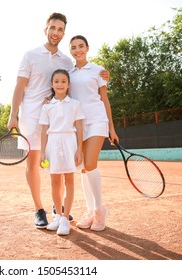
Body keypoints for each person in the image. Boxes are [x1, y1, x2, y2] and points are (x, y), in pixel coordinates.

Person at [7, 12, 109, 229]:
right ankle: (39, 209)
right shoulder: (30, 55)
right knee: (34, 162)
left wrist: (105, 75)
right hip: (31, 117)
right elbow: (19, 86)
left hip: (57, 119)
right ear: (45, 29)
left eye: (60, 29)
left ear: (64, 33)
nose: (56, 32)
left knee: (61, 164)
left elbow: (83, 77)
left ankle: (59, 209)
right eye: (52, 28)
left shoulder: (65, 60)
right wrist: (12, 114)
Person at [68, 35, 119, 231]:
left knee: (90, 163)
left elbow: (104, 100)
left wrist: (111, 128)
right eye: (73, 47)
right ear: (71, 51)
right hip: (79, 125)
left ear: (87, 48)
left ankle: (99, 210)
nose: (77, 50)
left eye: (81, 46)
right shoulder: (69, 72)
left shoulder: (98, 70)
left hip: (98, 120)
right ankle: (90, 211)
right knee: (82, 167)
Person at [39, 69, 84, 235]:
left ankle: (65, 218)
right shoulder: (47, 106)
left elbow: (79, 128)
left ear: (68, 85)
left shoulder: (75, 104)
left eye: (63, 81)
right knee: (55, 182)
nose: (60, 84)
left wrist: (80, 149)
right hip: (53, 144)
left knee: (69, 181)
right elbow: (44, 130)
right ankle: (58, 216)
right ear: (52, 84)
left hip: (69, 142)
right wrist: (42, 152)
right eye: (56, 81)